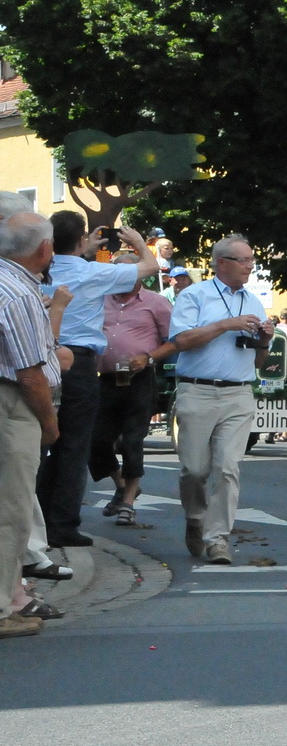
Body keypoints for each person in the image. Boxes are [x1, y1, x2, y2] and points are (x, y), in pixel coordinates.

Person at [34, 212, 157, 549]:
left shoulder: (34, 269)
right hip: (79, 361)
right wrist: (136, 243)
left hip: (37, 358)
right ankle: (62, 524)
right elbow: (149, 268)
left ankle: (36, 520)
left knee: (39, 444)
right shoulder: (91, 271)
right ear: (79, 240)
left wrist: (79, 246)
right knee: (73, 445)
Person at [168, 235, 272, 565]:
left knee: (227, 468)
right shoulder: (194, 296)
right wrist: (226, 324)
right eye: (244, 260)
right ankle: (196, 520)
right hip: (197, 390)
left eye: (251, 259)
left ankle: (218, 539)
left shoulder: (253, 301)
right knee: (194, 471)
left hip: (239, 392)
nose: (250, 265)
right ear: (222, 263)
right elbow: (182, 340)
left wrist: (265, 342)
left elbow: (257, 361)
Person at [0, 214, 62, 639]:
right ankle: (3, 607)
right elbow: (29, 372)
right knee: (11, 511)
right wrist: (49, 422)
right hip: (12, 405)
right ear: (43, 249)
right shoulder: (19, 293)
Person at [90, 253, 176, 526]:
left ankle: (127, 502)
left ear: (140, 275)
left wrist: (149, 357)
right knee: (97, 440)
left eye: (130, 274)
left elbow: (174, 341)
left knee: (132, 440)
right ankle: (122, 484)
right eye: (119, 275)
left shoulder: (156, 303)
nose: (123, 280)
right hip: (105, 378)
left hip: (139, 380)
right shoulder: (99, 300)